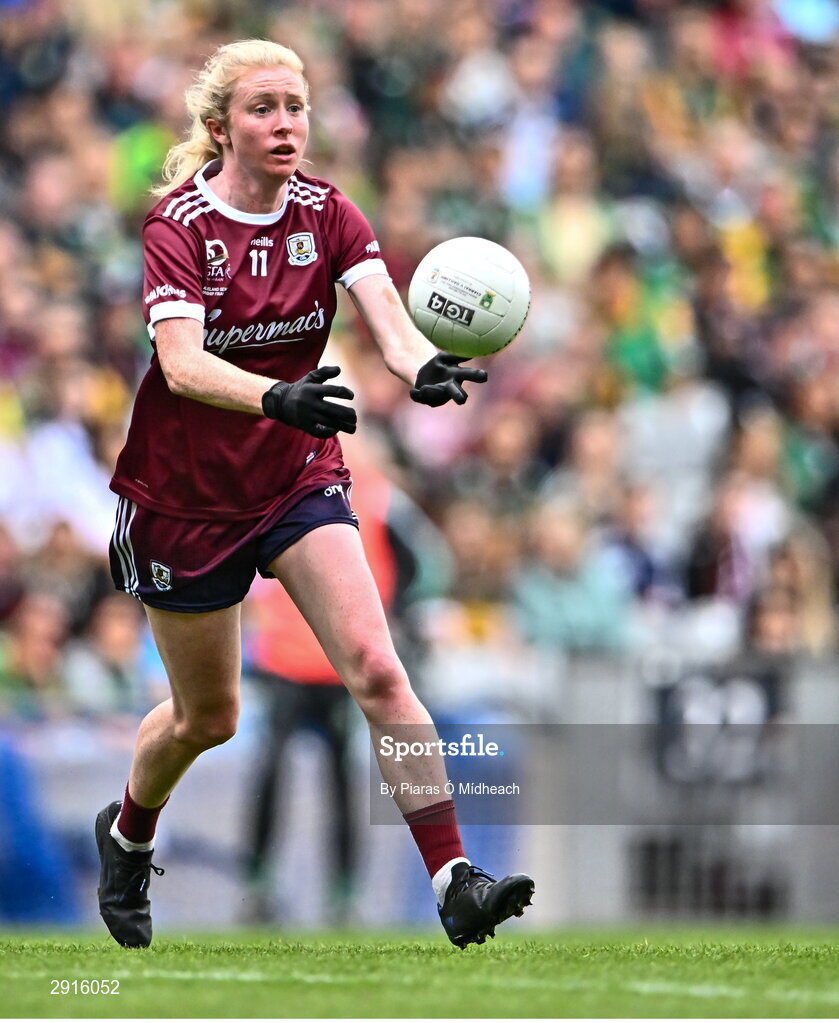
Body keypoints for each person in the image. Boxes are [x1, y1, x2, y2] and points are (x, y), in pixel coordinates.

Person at [95, 39, 533, 950]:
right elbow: (177, 364)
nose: (286, 123)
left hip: (297, 472)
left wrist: (422, 369)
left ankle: (454, 878)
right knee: (207, 718)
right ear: (220, 128)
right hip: (185, 500)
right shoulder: (178, 224)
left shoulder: (329, 212)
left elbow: (388, 323)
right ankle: (130, 832)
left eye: (295, 106)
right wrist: (277, 393)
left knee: (377, 668)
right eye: (263, 108)